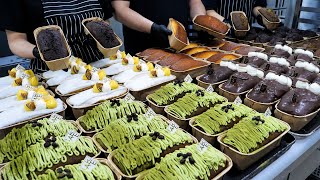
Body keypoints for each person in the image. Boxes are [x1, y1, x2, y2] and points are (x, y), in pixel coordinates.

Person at [0, 0, 113, 73]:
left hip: (101, 68)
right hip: (53, 75)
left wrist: (101, 37)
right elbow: (16, 40)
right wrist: (39, 52)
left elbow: (105, 20)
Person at [111, 0, 207, 55]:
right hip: (143, 50)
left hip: (181, 48)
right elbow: (120, 10)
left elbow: (195, 2)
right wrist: (152, 28)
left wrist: (200, 21)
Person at [202, 0, 268, 27]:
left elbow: (257, 5)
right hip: (220, 33)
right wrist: (227, 23)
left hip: (247, 34)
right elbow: (208, 11)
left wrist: (261, 15)